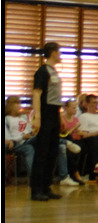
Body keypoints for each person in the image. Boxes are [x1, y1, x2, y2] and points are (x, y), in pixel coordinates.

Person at [29, 42, 64, 201]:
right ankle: (36, 190)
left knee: (52, 152)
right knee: (42, 152)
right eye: (59, 52)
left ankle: (46, 187)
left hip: (54, 113)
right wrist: (37, 117)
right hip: (45, 113)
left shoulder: (54, 71)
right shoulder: (42, 72)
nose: (60, 55)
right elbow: (37, 94)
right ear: (53, 52)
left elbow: (56, 98)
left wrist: (60, 117)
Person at [5, 97, 37, 181]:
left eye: (19, 103)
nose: (19, 105)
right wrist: (22, 137)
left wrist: (31, 132)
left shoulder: (23, 117)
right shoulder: (6, 119)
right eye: (16, 103)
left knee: (41, 139)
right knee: (30, 148)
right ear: (10, 105)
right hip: (18, 142)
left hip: (28, 139)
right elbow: (9, 139)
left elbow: (29, 130)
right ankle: (34, 179)